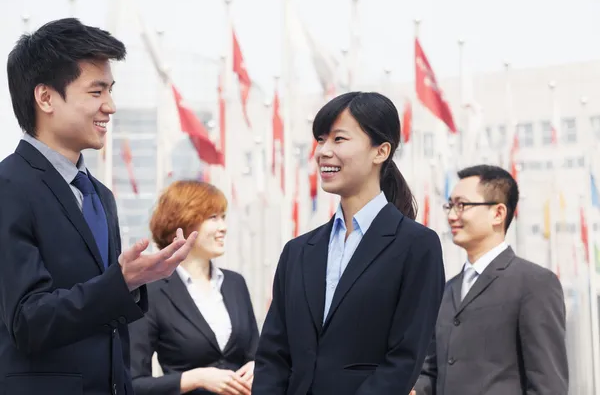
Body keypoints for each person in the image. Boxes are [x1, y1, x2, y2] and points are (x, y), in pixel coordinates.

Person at [0, 18, 197, 395]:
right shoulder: (9, 186)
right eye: (96, 91)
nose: (110, 106)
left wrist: (134, 281)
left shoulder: (99, 195)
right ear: (45, 98)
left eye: (111, 90)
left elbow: (108, 325)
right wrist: (121, 281)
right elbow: (27, 320)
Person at [252, 91, 446, 395]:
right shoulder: (298, 252)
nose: (323, 152)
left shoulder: (417, 246)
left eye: (339, 139)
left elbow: (404, 360)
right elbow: (273, 356)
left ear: (380, 151)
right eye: (320, 140)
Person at [412, 164, 568, 395]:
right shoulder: (446, 291)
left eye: (462, 205)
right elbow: (432, 372)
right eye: (450, 205)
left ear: (498, 213)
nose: (452, 215)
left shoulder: (534, 283)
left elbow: (548, 385)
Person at [129, 180, 259, 395]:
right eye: (213, 218)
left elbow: (257, 354)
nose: (223, 227)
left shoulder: (235, 284)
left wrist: (257, 367)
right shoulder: (151, 293)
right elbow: (133, 383)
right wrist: (195, 378)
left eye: (223, 217)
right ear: (182, 225)